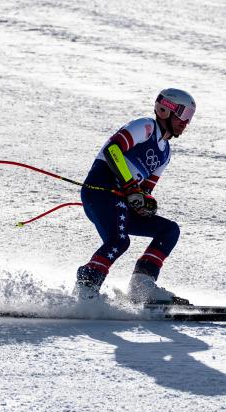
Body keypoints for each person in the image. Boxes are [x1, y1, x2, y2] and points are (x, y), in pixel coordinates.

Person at [75, 88, 196, 304]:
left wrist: (145, 203)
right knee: (119, 241)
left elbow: (146, 190)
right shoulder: (146, 126)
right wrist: (131, 187)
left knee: (169, 230)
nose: (186, 122)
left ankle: (142, 288)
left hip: (122, 200)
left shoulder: (165, 153)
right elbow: (113, 150)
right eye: (184, 115)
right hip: (101, 191)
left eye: (190, 117)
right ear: (165, 110)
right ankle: (87, 284)